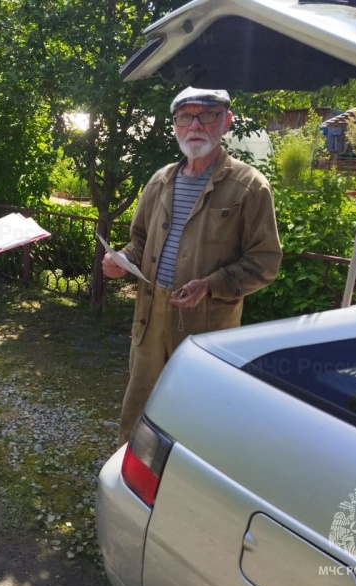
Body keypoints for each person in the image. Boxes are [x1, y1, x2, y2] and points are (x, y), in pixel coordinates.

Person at [103, 86, 282, 446]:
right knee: (141, 405)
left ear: (226, 122)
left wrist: (211, 285)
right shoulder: (160, 180)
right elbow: (139, 239)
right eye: (185, 117)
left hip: (206, 324)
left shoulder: (249, 186)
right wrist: (121, 260)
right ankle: (131, 477)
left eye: (207, 115)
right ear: (175, 126)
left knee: (196, 412)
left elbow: (265, 262)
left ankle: (181, 486)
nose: (195, 125)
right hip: (151, 315)